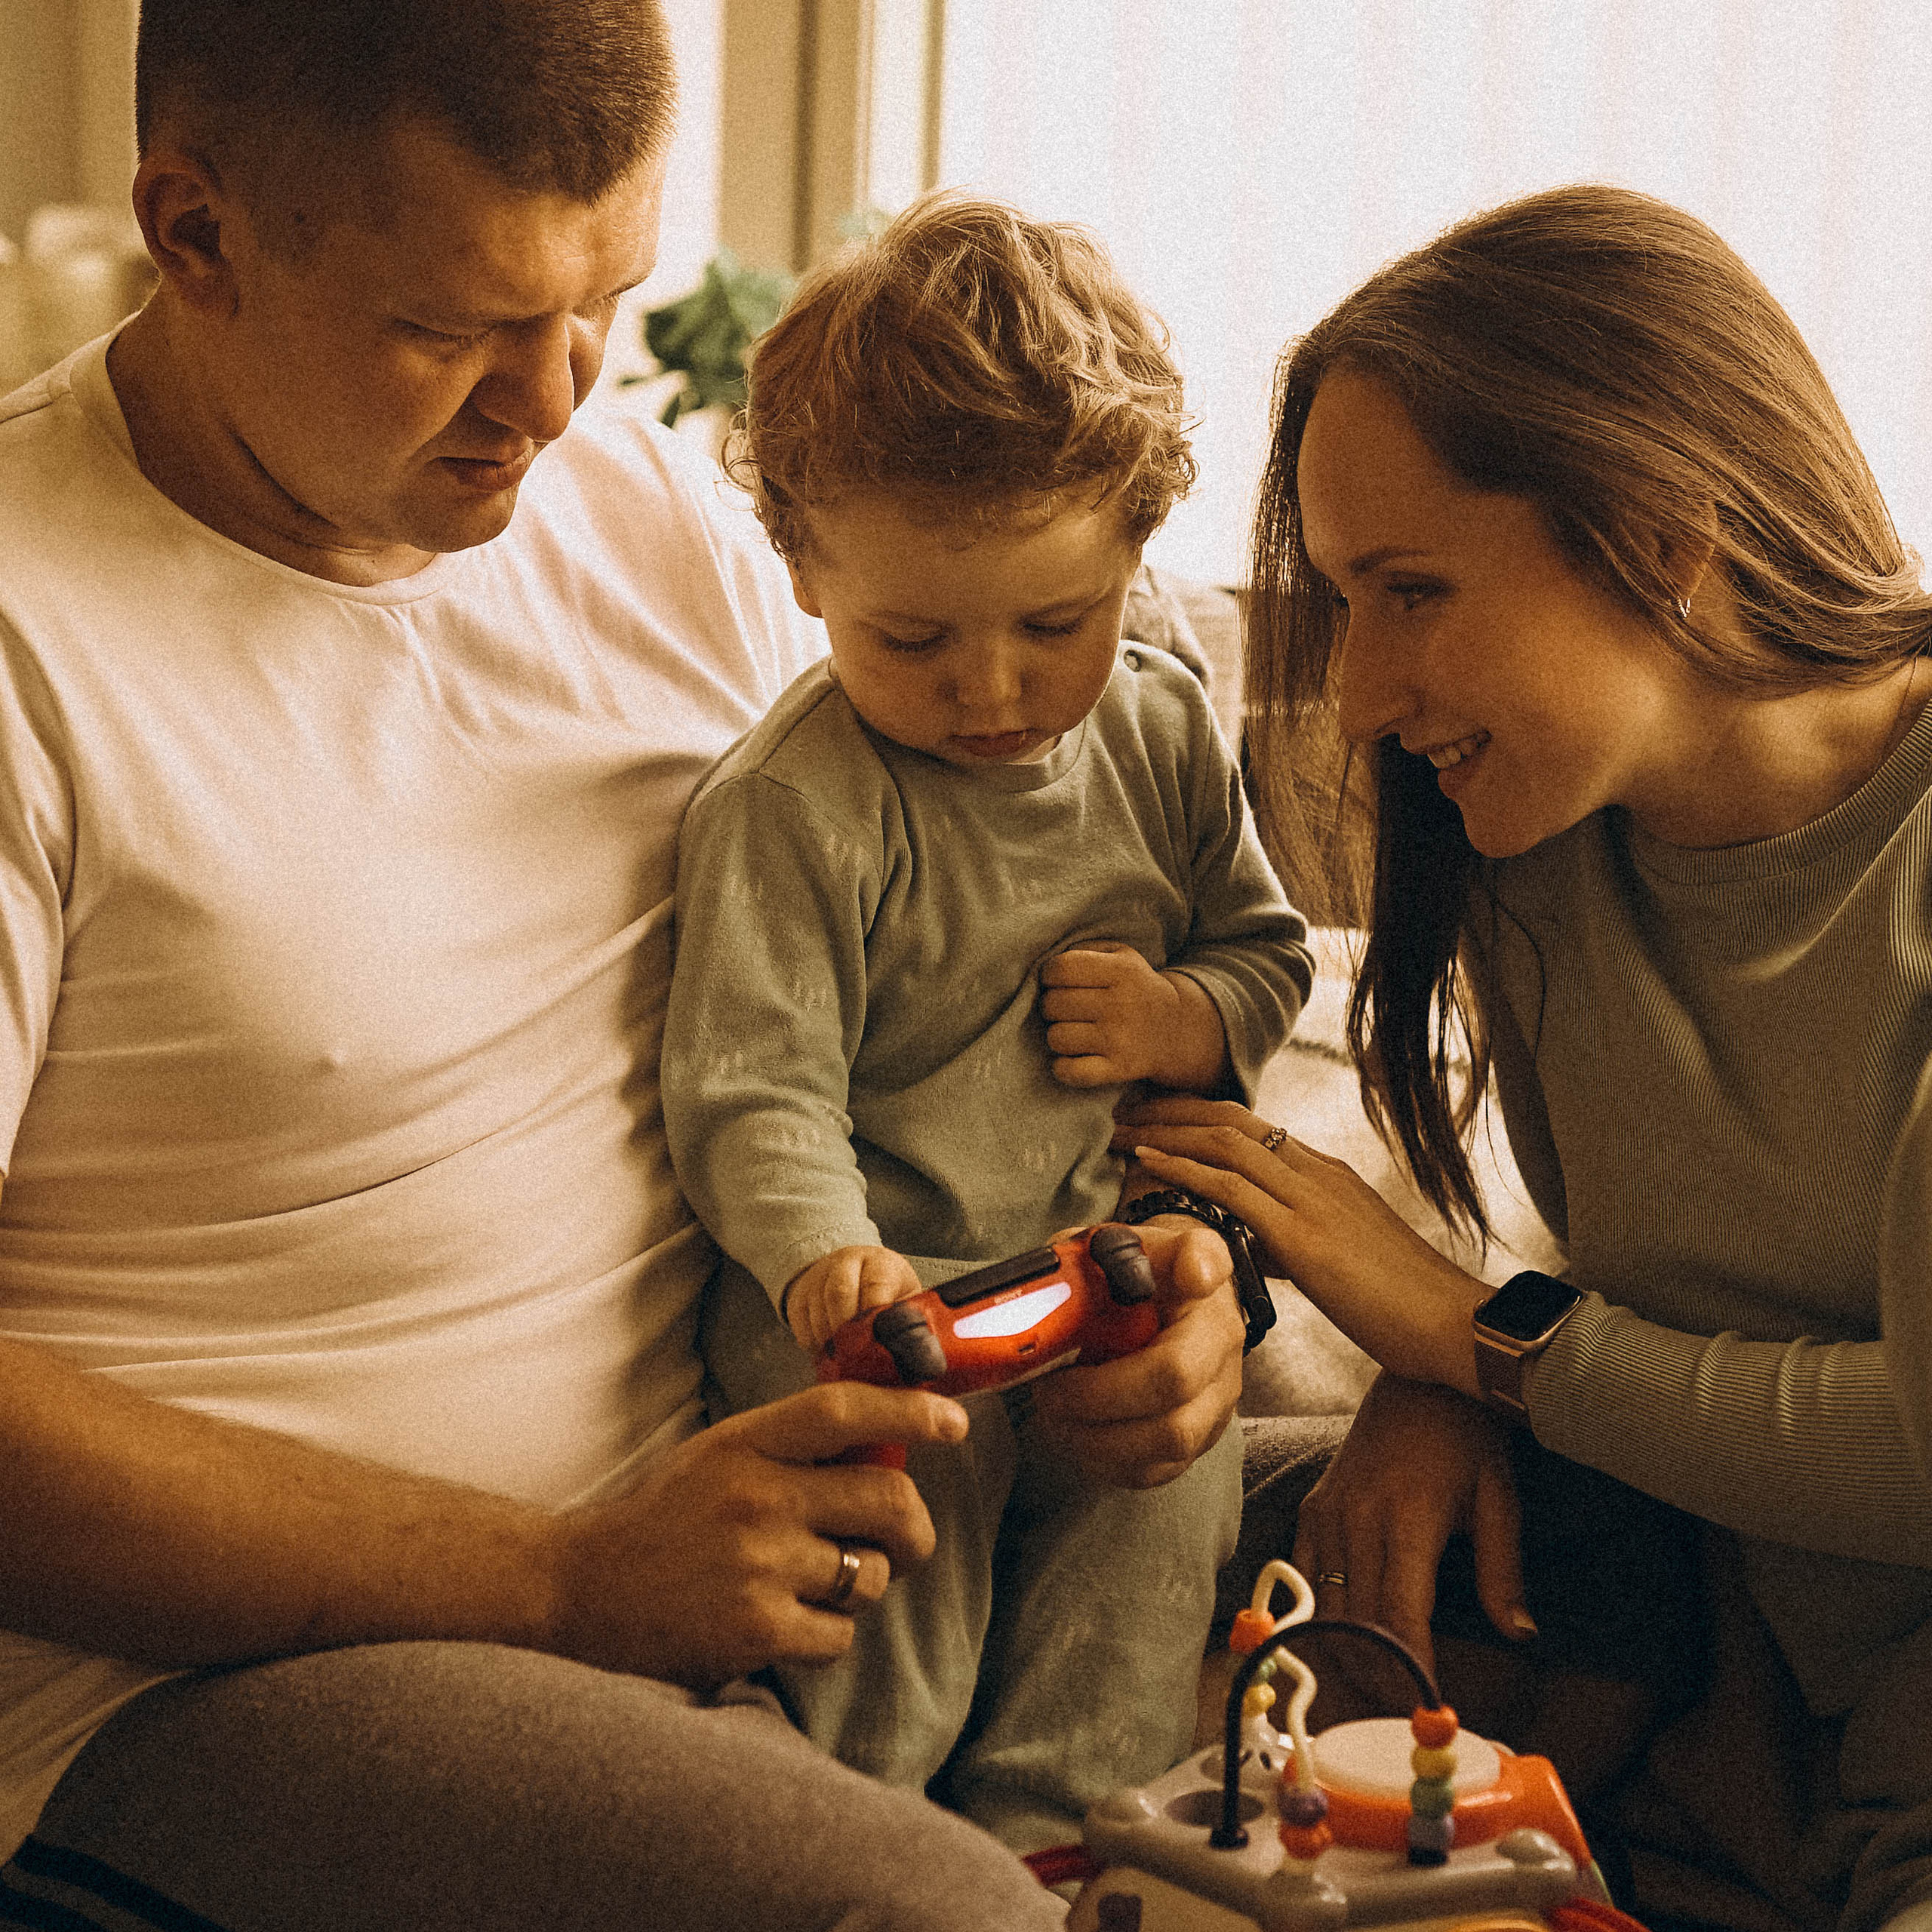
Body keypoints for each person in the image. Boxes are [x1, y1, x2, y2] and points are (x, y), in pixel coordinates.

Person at [0, 5, 1251, 1928]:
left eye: (606, 299)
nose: (553, 393)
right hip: (213, 1688)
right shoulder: (28, 632)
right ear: (196, 233)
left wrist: (1178, 1289)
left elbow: (951, 967)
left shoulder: (656, 513)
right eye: (454, 326)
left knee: (1534, 1544)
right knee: (944, 1917)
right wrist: (563, 1574)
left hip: (793, 1501)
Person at [1120, 183, 1932, 1932]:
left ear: (1656, 533)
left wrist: (1481, 1338)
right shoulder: (1543, 851)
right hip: (1747, 1707)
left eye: (1408, 590)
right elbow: (1709, 1261)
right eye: (1342, 602)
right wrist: (1441, 1380)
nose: (1349, 694)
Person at [662, 192, 1312, 1850]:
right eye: (913, 636)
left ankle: (1058, 1836)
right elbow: (752, 1089)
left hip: (1103, 1271)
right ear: (802, 565)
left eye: (1053, 622)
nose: (994, 689)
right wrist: (822, 1256)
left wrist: (1181, 1013)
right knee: (892, 1556)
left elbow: (1266, 960)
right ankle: (848, 1822)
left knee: (1162, 1507)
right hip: (884, 1296)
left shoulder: (1162, 731)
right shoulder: (794, 807)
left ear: (1134, 554)